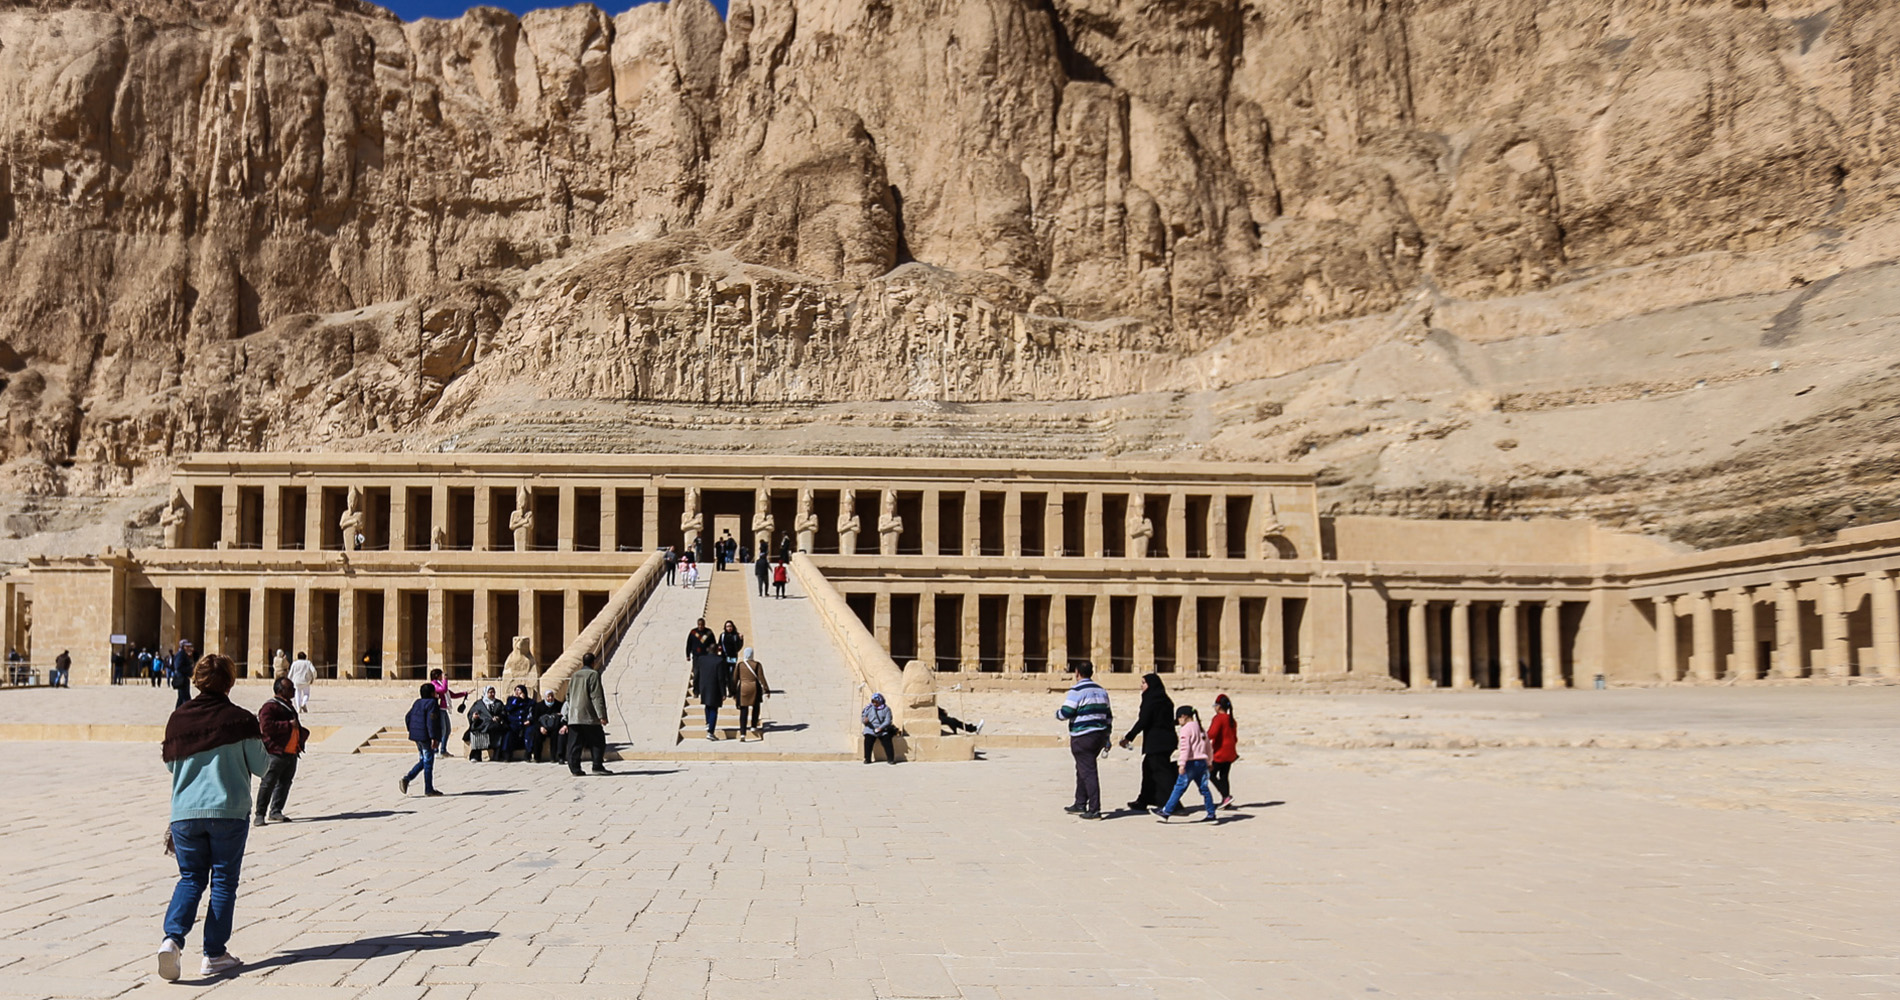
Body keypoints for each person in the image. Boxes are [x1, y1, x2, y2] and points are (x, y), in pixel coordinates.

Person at [157, 653, 267, 981]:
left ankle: (172, 940)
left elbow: (170, 765)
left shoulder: (178, 719)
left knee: (190, 878)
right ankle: (214, 954)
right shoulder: (241, 720)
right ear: (230, 682)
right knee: (223, 881)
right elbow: (262, 767)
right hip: (228, 812)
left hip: (185, 814)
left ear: (196, 680)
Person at [1056, 660, 1112, 819]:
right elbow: (1108, 716)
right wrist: (1107, 736)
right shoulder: (1101, 690)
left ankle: (1094, 809)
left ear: (1077, 673)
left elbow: (1066, 712)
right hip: (1099, 735)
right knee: (1083, 768)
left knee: (1088, 772)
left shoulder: (1076, 690)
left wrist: (1058, 714)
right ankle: (1080, 802)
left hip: (1083, 736)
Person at [254, 676, 309, 826]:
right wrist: (288, 725)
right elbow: (266, 727)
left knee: (285, 783)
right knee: (268, 783)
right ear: (280, 690)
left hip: (291, 752)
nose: (293, 690)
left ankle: (276, 810)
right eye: (290, 688)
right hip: (275, 752)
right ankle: (260, 814)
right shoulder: (269, 707)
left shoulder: (288, 705)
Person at [1119, 673, 1177, 812]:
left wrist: (1128, 737)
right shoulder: (1165, 700)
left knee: (1161, 773)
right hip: (1167, 741)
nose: (1141, 685)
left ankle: (1173, 804)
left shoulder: (1151, 701)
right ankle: (1144, 800)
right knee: (1149, 769)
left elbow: (1143, 721)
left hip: (1157, 742)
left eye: (1144, 683)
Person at [1156, 705, 1218, 823]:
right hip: (1202, 763)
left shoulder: (1186, 729)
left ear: (1184, 717)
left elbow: (1185, 748)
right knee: (1204, 789)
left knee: (1179, 788)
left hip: (1190, 763)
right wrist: (1209, 761)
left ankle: (1166, 812)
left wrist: (1182, 764)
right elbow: (1208, 747)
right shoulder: (1200, 728)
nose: (1179, 722)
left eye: (1179, 719)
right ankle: (1211, 814)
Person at [561, 652, 610, 774]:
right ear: (593, 662)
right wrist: (602, 716)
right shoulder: (593, 675)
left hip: (574, 716)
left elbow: (567, 695)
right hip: (589, 716)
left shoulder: (575, 675)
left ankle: (575, 768)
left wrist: (571, 710)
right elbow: (596, 696)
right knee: (598, 741)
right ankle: (597, 766)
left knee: (575, 743)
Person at [398, 683, 444, 797]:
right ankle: (427, 788)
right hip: (426, 737)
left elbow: (408, 717)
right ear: (432, 693)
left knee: (424, 760)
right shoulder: (432, 703)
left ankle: (407, 779)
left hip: (417, 736)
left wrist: (412, 729)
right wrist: (433, 737)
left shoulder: (417, 702)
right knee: (428, 762)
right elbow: (431, 721)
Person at [691, 645, 732, 741]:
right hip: (715, 687)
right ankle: (710, 732)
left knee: (707, 705)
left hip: (704, 686)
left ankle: (708, 722)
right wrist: (723, 692)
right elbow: (721, 678)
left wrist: (696, 688)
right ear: (717, 650)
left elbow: (697, 673)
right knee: (714, 708)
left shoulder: (701, 659)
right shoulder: (719, 660)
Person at [427, 668, 468, 757]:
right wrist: (446, 680)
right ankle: (436, 750)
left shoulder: (441, 684)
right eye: (441, 675)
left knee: (447, 730)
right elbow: (443, 690)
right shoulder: (434, 684)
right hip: (439, 710)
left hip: (444, 709)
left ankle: (443, 750)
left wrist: (464, 693)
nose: (443, 676)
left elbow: (451, 694)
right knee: (442, 730)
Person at [732, 647, 769, 740]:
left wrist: (733, 692)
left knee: (744, 711)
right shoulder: (757, 665)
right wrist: (766, 689)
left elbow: (735, 679)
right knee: (756, 707)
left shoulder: (740, 665)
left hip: (743, 688)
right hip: (754, 688)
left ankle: (743, 733)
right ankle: (753, 726)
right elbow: (761, 678)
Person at [1208, 694, 1238, 808]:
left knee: (1210, 774)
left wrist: (1202, 736)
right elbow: (1235, 738)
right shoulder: (1232, 720)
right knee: (1224, 776)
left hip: (1220, 753)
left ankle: (1226, 796)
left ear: (1219, 707)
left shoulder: (1218, 718)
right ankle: (1226, 801)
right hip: (1230, 752)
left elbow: (1212, 734)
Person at [467, 686, 508, 762]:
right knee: (476, 732)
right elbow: (471, 714)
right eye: (490, 692)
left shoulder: (498, 703)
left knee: (498, 730)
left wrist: (498, 717)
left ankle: (497, 755)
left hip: (494, 725)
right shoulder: (478, 704)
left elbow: (503, 713)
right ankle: (475, 756)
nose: (492, 694)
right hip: (481, 724)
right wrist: (474, 717)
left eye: (493, 692)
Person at [504, 684, 537, 761]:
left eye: (519, 690)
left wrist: (529, 720)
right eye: (516, 690)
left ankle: (528, 753)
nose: (517, 692)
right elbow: (508, 709)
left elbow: (533, 713)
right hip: (514, 722)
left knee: (530, 732)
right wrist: (517, 700)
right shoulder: (511, 700)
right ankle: (507, 755)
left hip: (526, 723)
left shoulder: (530, 702)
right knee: (509, 734)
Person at [861, 693, 897, 764]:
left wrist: (880, 728)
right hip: (871, 728)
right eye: (873, 701)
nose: (874, 703)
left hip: (882, 729)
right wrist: (864, 720)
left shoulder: (886, 709)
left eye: (876, 702)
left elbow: (888, 720)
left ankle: (890, 759)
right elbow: (863, 716)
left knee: (887, 741)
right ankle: (867, 758)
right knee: (868, 740)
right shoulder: (869, 708)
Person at [532, 690, 566, 762]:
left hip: (554, 727)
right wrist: (541, 727)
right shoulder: (539, 706)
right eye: (548, 696)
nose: (550, 698)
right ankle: (537, 757)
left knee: (556, 735)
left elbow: (562, 717)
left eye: (552, 696)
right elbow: (535, 719)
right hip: (543, 727)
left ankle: (553, 757)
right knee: (537, 735)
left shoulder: (558, 705)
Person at [171, 641, 197, 708]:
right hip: (181, 678)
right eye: (187, 646)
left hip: (184, 678)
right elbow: (178, 667)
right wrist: (190, 668)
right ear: (183, 647)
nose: (189, 648)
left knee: (181, 698)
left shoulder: (184, 654)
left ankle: (177, 712)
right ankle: (188, 711)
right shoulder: (180, 654)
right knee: (185, 697)